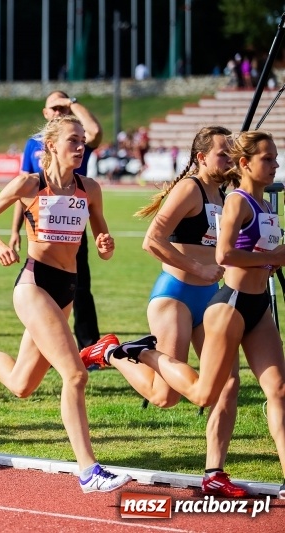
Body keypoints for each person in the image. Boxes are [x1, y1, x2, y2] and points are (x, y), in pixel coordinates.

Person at [0, 115, 131, 493]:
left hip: (67, 289)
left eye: (83, 142)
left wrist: (106, 245)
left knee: (21, 384)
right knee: (75, 374)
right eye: (73, 141)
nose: (81, 147)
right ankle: (89, 469)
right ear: (52, 146)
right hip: (33, 284)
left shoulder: (89, 188)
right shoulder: (30, 184)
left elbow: (102, 237)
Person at [101, 130, 285, 499]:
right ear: (201, 157)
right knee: (166, 396)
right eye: (221, 153)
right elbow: (152, 240)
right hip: (179, 295)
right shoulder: (191, 190)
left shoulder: (230, 193)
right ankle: (121, 352)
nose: (228, 159)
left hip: (219, 297)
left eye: (231, 154)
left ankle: (214, 471)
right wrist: (197, 269)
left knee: (230, 388)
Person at [11, 91, 103, 350]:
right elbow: (21, 192)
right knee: (41, 293)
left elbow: (95, 131)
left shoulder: (76, 139)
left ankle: (89, 345)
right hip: (40, 225)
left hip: (74, 222)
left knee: (81, 288)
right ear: (45, 113)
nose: (59, 111)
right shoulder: (33, 145)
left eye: (63, 107)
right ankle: (51, 346)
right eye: (54, 107)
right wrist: (14, 231)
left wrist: (72, 104)